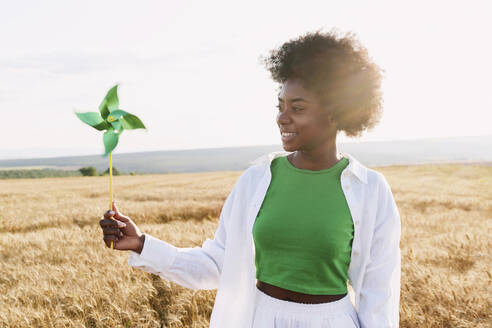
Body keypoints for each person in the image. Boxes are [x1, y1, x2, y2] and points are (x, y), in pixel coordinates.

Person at [100, 29, 401, 328]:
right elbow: (219, 263)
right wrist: (142, 244)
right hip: (261, 318)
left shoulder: (371, 190)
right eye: (280, 106)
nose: (282, 117)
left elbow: (379, 296)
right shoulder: (258, 179)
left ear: (337, 112)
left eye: (297, 108)